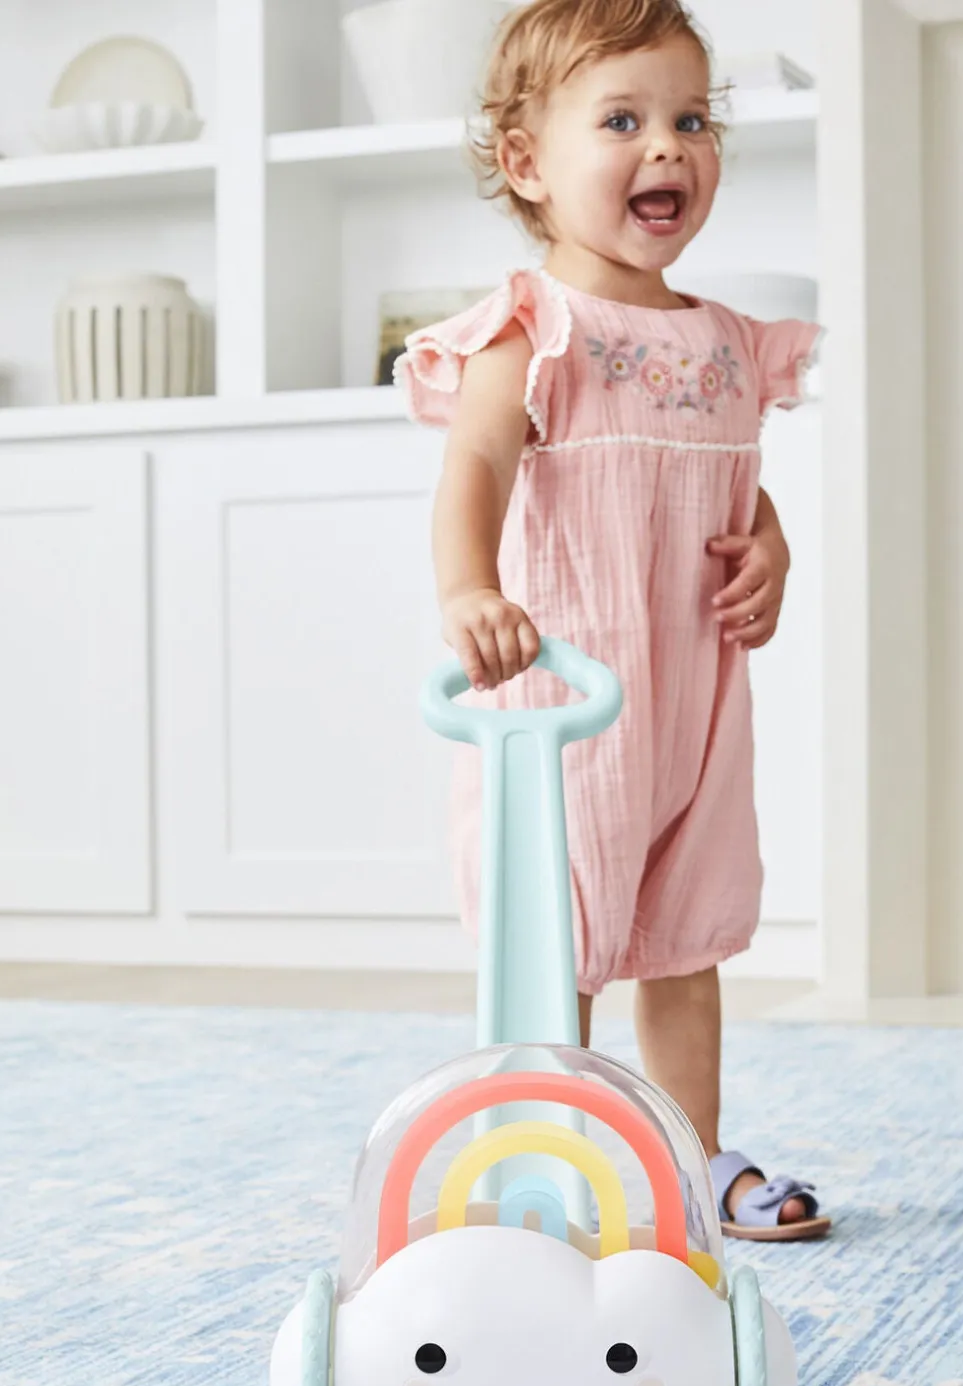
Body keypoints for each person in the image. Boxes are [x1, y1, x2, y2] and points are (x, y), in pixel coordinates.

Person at [396, 0, 829, 1241]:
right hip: (568, 702)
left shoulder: (727, 342)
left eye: (692, 119)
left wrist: (772, 546)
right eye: (623, 121)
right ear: (528, 162)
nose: (668, 147)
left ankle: (690, 1163)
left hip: (695, 708)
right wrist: (470, 590)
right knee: (561, 946)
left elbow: (732, 477)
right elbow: (476, 469)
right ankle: (544, 1164)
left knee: (687, 940)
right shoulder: (535, 328)